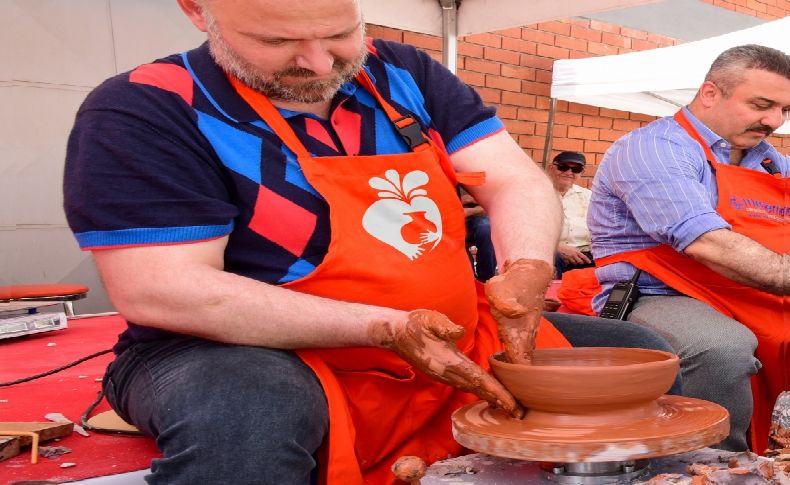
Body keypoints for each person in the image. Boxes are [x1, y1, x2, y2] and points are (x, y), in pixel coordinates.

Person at [63, 1, 679, 483]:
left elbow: (514, 179)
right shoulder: (146, 108)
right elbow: (163, 289)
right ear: (197, 10)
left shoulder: (402, 74)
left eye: (340, 33)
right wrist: (387, 328)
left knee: (645, 354)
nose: (318, 63)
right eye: (276, 41)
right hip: (240, 346)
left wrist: (524, 269)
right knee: (250, 414)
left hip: (444, 331)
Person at [588, 44, 790, 452]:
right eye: (761, 104)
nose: (774, 121)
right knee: (720, 349)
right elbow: (703, 240)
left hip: (750, 291)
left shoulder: (771, 161)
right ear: (711, 93)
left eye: (784, 110)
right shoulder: (655, 148)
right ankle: (715, 467)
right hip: (658, 294)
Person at [546, 151, 594, 278]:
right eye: (563, 167)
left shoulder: (589, 197)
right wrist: (556, 247)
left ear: (582, 173)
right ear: (551, 168)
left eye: (576, 169)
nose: (569, 172)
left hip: (584, 255)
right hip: (550, 253)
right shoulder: (536, 194)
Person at [460, 190, 497, 281]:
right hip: (451, 219)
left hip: (479, 217)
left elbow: (495, 205)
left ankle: (487, 278)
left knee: (485, 228)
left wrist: (471, 210)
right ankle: (469, 278)